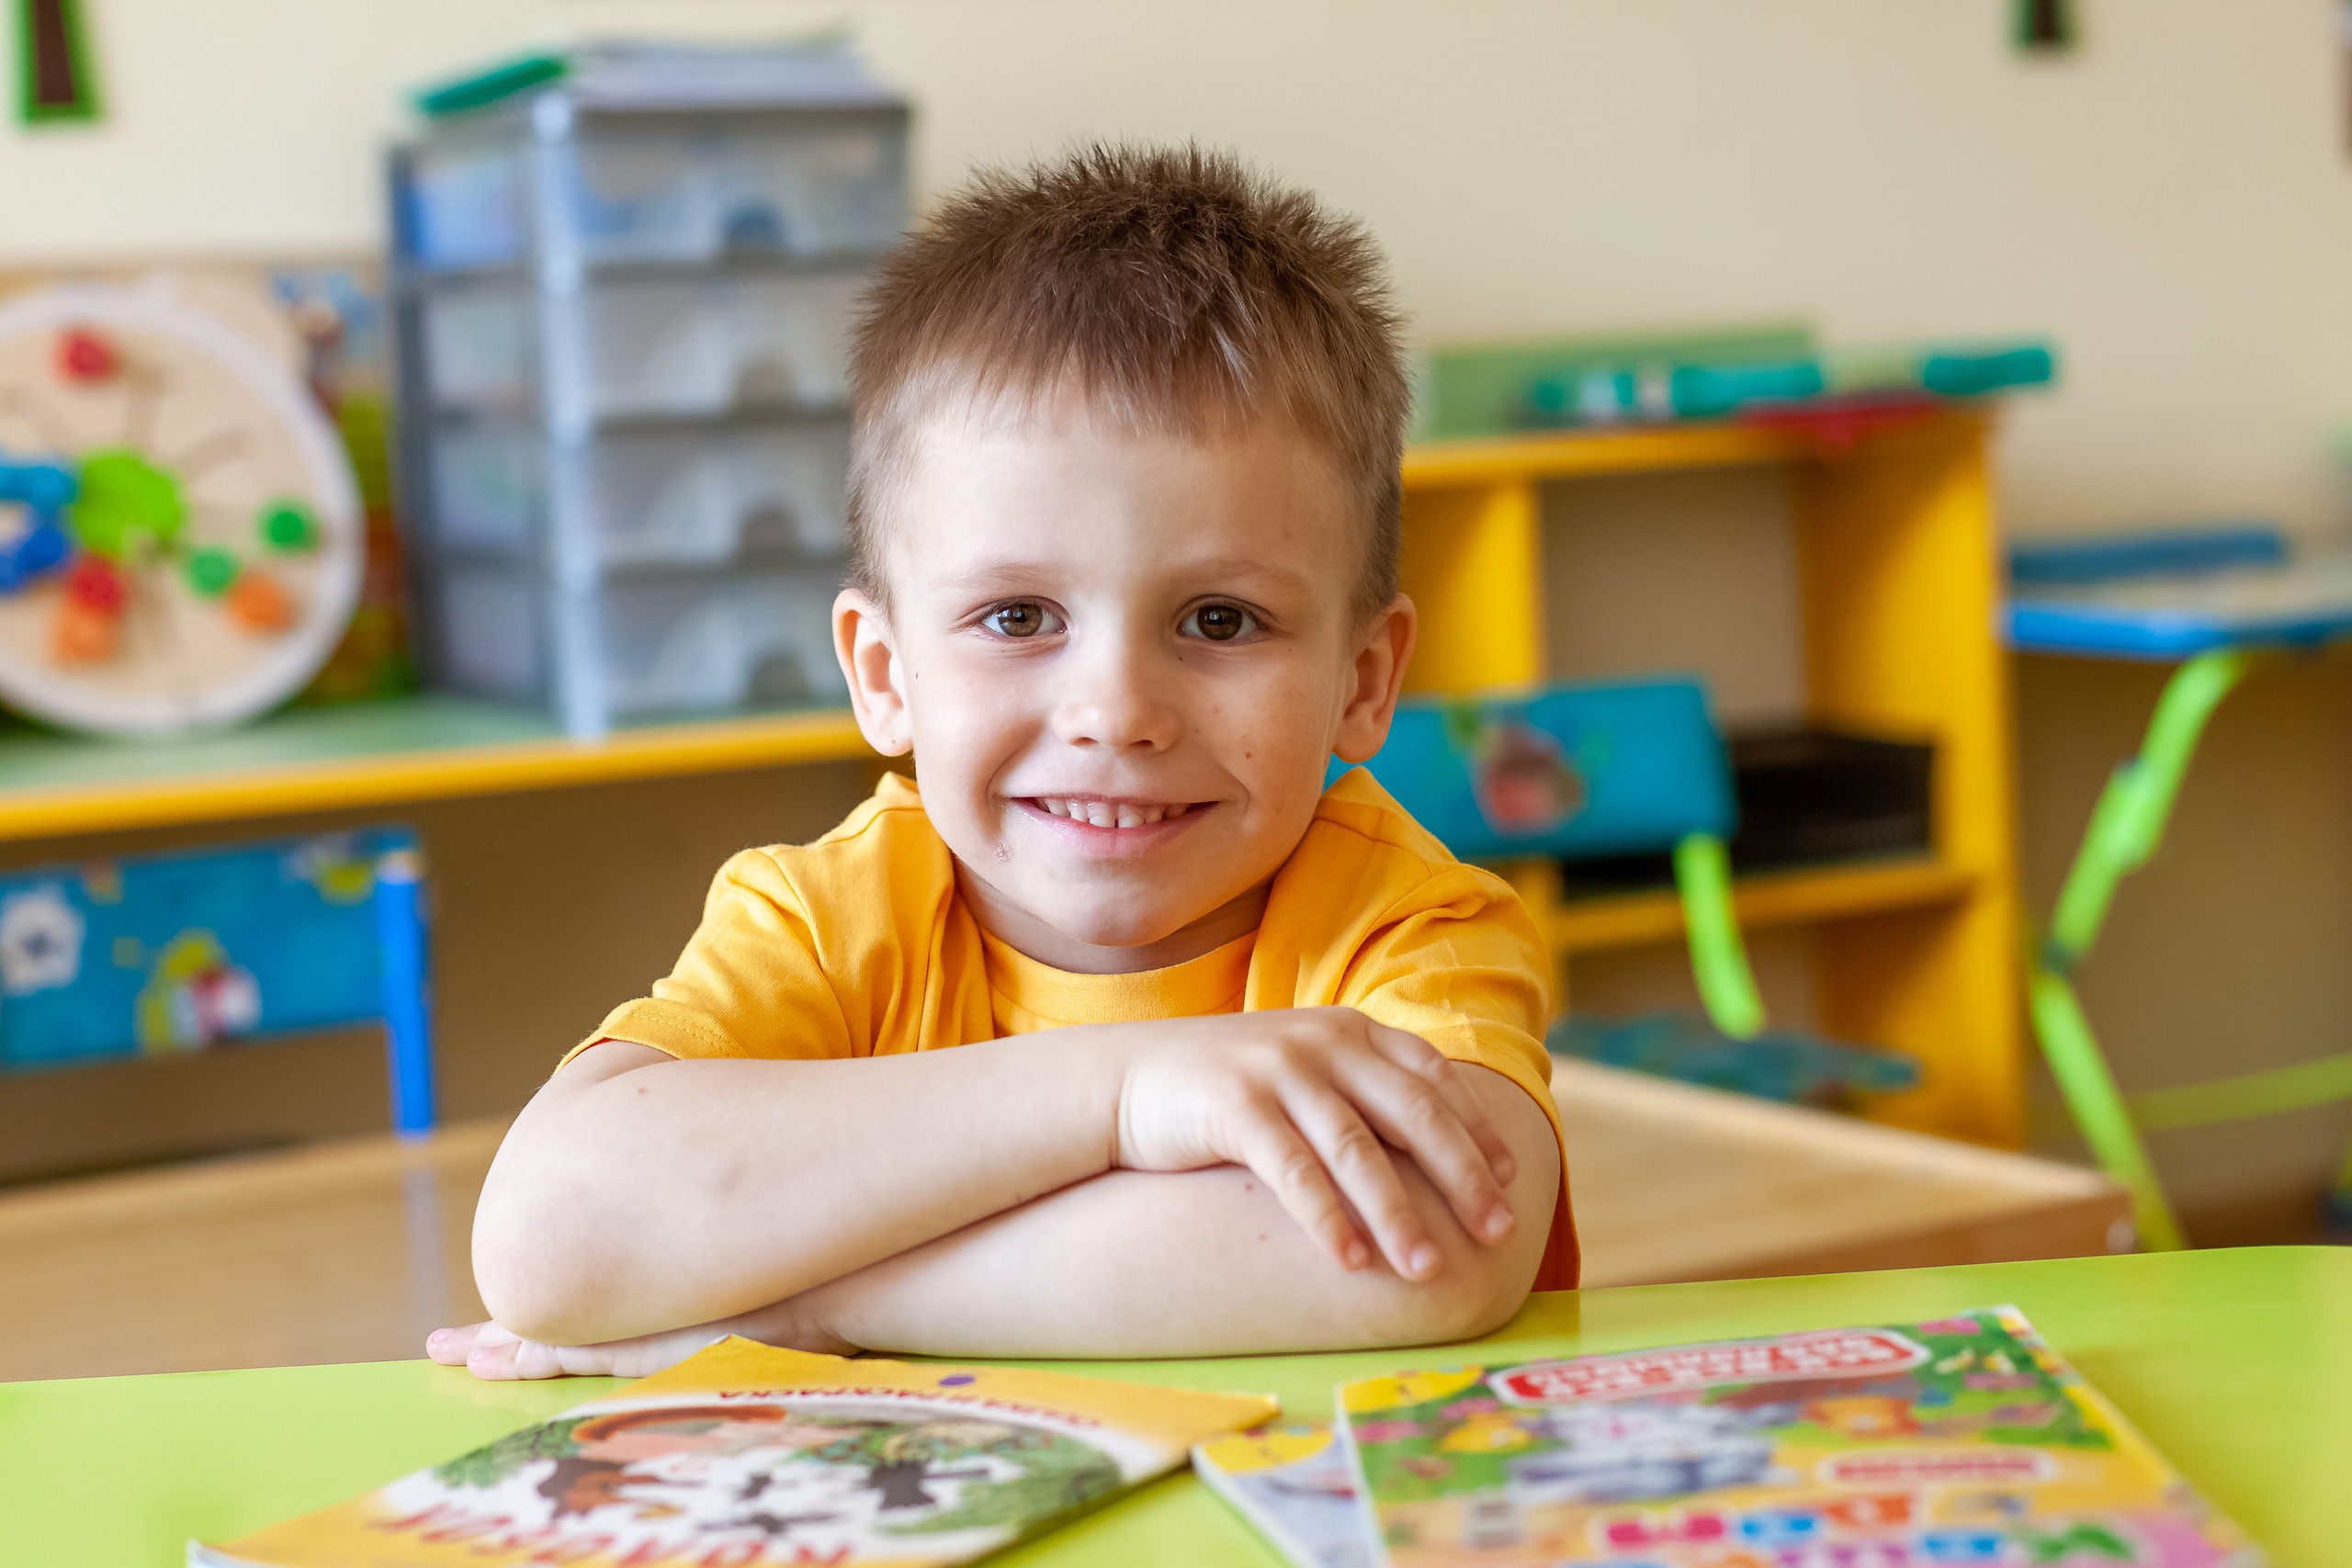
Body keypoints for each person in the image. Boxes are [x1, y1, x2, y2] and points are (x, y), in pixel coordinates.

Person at [430, 143, 1576, 1382]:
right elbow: (549, 1246)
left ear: (1363, 680)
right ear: (882, 673)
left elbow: (1440, 1250)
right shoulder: (829, 918)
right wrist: (1125, 1088)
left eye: (1220, 621)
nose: (1116, 714)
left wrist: (814, 1304)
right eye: (1019, 618)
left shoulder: (1412, 929)